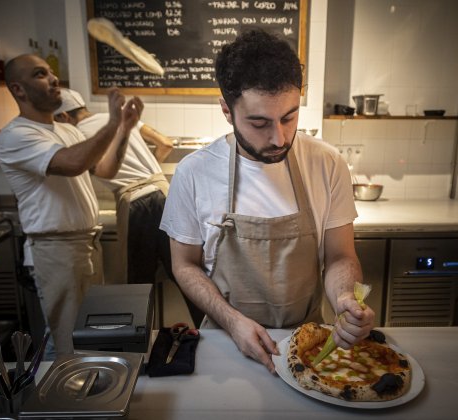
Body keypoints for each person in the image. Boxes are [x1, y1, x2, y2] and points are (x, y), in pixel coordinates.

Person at [159, 29, 375, 373]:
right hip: (225, 344)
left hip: (310, 344)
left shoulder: (327, 163)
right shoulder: (193, 173)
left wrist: (345, 299)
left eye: (289, 117)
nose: (279, 137)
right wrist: (232, 322)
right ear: (226, 111)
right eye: (259, 122)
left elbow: (340, 255)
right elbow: (185, 265)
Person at [0, 54, 142, 357]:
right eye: (40, 74)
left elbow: (105, 170)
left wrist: (124, 129)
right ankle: (62, 401)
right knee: (66, 340)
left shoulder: (67, 131)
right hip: (56, 250)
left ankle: (83, 395)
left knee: (84, 334)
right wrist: (112, 121)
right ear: (18, 89)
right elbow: (73, 163)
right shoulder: (16, 135)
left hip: (85, 246)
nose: (53, 79)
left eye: (51, 72)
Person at [53, 89, 204, 326]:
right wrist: (145, 171)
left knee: (137, 287)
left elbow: (104, 170)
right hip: (165, 193)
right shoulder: (116, 117)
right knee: (188, 275)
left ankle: (138, 351)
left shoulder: (79, 135)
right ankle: (213, 334)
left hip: (136, 203)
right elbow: (165, 143)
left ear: (63, 117)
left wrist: (133, 178)